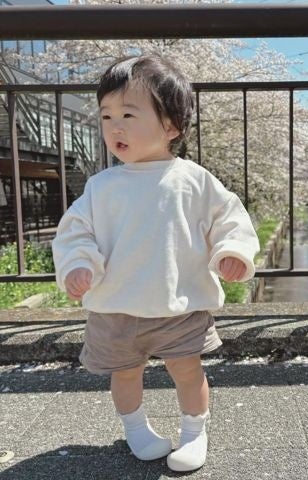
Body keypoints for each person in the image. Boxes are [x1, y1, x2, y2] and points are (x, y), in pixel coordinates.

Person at [52, 55, 259, 472]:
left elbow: (228, 219)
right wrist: (78, 264)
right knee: (125, 373)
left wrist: (231, 251)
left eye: (128, 114)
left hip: (179, 302)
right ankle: (137, 430)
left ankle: (194, 432)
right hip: (116, 306)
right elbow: (76, 232)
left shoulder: (193, 180)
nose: (115, 126)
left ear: (172, 126)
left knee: (187, 369)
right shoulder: (101, 187)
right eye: (106, 116)